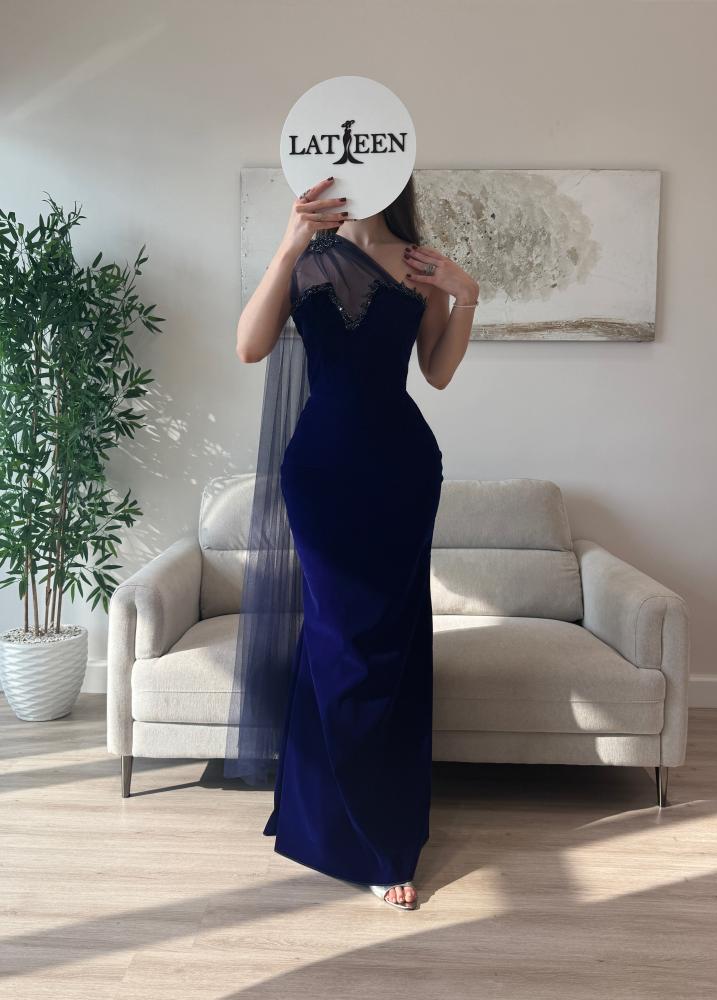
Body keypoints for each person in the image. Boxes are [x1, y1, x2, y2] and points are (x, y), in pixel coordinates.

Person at [234, 174, 479, 910]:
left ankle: (380, 833)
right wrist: (288, 244)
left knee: (389, 643)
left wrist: (467, 296)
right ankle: (336, 822)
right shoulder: (303, 255)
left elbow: (436, 373)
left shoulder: (420, 263)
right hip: (320, 473)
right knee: (338, 639)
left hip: (402, 471)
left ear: (390, 167)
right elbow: (249, 347)